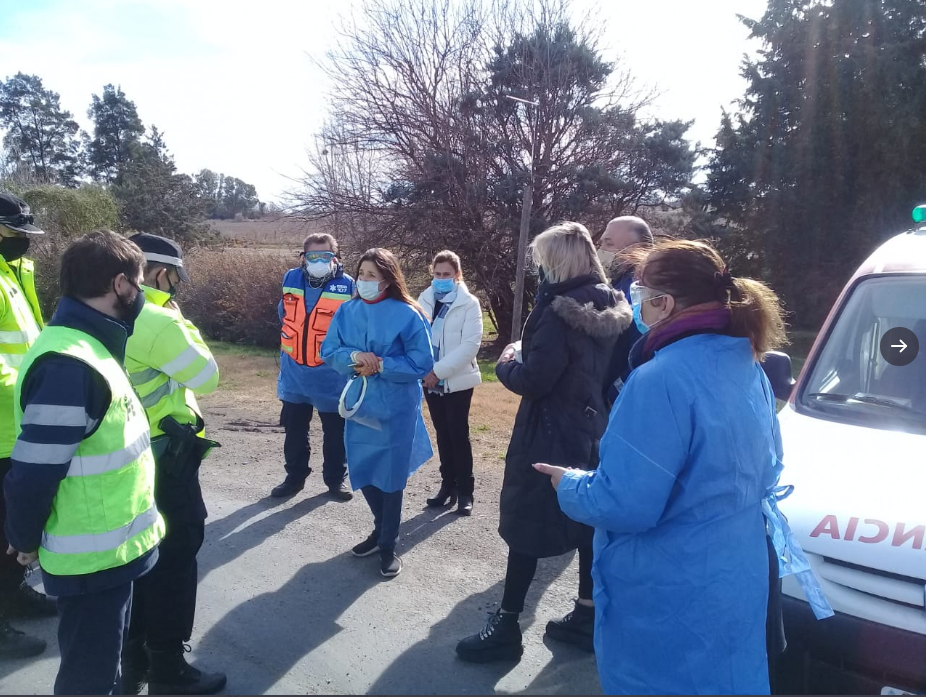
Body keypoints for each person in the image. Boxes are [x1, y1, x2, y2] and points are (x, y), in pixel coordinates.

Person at [535, 239, 790, 694]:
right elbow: (769, 468)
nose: (635, 305)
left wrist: (568, 484)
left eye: (639, 294)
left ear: (663, 302)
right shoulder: (747, 364)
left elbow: (625, 503)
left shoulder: (660, 379)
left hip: (673, 591)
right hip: (738, 574)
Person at [456, 222, 631, 662]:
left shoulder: (554, 310)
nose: (537, 268)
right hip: (594, 426)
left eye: (542, 260)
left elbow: (536, 380)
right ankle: (587, 614)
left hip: (548, 430)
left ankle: (507, 625)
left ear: (557, 261)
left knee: (527, 521)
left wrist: (510, 361)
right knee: (588, 519)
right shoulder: (613, 304)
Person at [3, 230, 165, 695]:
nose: (141, 292)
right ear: (120, 284)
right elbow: (33, 472)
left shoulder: (88, 345)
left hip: (108, 554)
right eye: (138, 281)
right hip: (91, 561)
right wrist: (24, 538)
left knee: (103, 672)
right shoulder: (69, 365)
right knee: (88, 680)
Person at [121, 233, 226, 695]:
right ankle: (167, 667)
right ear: (160, 272)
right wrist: (175, 316)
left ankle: (133, 659)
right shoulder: (156, 317)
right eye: (174, 276)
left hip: (129, 453)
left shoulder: (106, 312)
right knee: (175, 558)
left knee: (140, 557)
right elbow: (207, 373)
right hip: (168, 456)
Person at [321, 248, 433, 579]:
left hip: (396, 407)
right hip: (361, 403)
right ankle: (380, 528)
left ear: (387, 279)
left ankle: (387, 545)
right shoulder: (346, 311)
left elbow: (421, 362)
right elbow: (329, 350)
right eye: (362, 274)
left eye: (372, 275)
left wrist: (382, 364)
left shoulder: (409, 315)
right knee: (364, 468)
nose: (365, 280)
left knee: (391, 477)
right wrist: (356, 356)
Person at [0, 193, 56, 659]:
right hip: (5, 422)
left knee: (12, 527)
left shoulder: (13, 276)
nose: (24, 242)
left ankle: (11, 594)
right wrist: (35, 389)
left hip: (15, 426)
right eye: (15, 232)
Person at [272, 233, 355, 501]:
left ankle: (335, 481)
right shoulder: (290, 279)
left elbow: (353, 327)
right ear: (303, 257)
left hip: (331, 375)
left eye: (326, 255)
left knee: (335, 434)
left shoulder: (348, 285)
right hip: (295, 372)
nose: (319, 260)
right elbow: (283, 314)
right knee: (295, 432)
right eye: (313, 255)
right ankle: (294, 479)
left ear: (336, 257)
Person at [418, 251, 483, 515]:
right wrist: (426, 371)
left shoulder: (469, 303)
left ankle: (466, 492)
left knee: (458, 434)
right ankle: (448, 487)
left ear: (457, 275)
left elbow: (471, 345)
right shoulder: (424, 298)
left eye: (447, 274)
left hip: (456, 379)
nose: (441, 279)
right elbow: (415, 337)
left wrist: (439, 371)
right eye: (437, 274)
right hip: (428, 379)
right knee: (442, 434)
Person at [597, 215, 654, 408]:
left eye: (608, 243)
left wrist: (613, 394)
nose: (601, 250)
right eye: (601, 243)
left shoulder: (642, 289)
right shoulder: (618, 283)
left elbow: (644, 351)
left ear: (636, 249)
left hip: (624, 402)